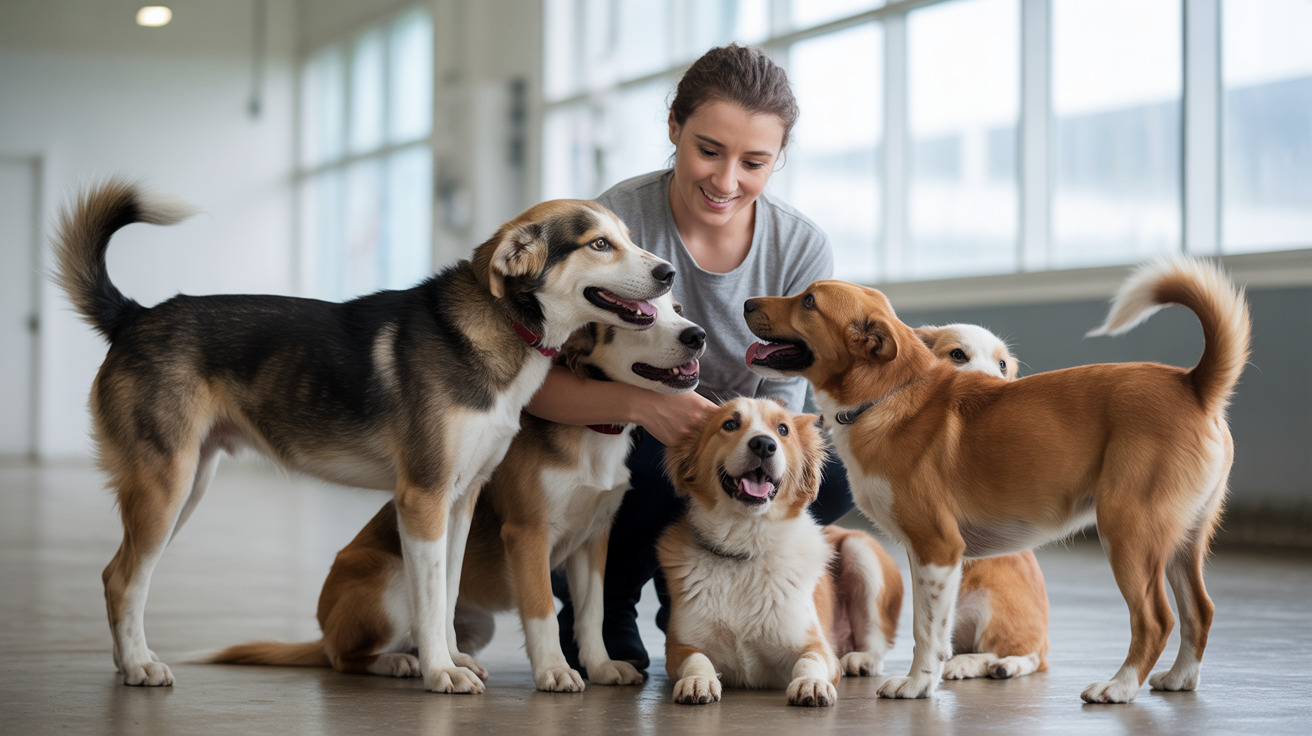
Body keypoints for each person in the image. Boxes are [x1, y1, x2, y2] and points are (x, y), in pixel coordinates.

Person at [525, 43, 854, 672]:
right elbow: (536, 386)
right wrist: (646, 406)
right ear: (673, 126)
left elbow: (786, 406)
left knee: (832, 474)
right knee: (645, 464)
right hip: (627, 430)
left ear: (777, 159)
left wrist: (741, 437)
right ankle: (606, 598)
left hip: (735, 437)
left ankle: (708, 597)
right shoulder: (616, 222)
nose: (726, 182)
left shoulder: (801, 246)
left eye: (753, 162)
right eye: (708, 150)